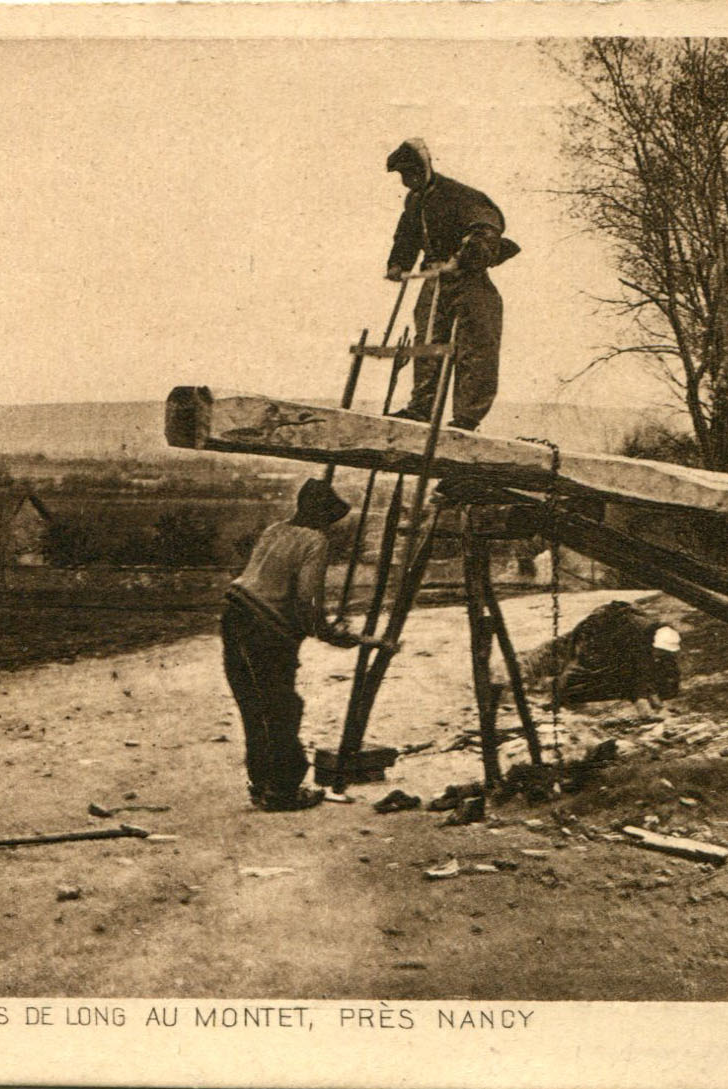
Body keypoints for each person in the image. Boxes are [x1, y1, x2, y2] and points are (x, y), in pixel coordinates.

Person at [221, 478, 387, 811]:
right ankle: (282, 792)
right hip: (264, 628)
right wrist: (334, 634)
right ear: (324, 517)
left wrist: (321, 628)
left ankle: (263, 784)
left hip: (234, 614)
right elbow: (306, 601)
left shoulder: (275, 530)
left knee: (254, 704)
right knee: (282, 708)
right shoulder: (314, 540)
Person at [384, 138, 520, 432]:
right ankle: (421, 409)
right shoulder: (415, 201)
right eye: (403, 177)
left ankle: (467, 417)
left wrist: (464, 257)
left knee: (476, 345)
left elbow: (487, 224)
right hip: (434, 281)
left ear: (425, 168)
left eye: (411, 174)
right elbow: (406, 235)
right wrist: (398, 264)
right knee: (427, 342)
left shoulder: (458, 195)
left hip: (468, 280)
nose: (408, 182)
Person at [522, 600, 682, 713]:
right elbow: (634, 667)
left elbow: (650, 668)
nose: (661, 655)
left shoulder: (662, 634)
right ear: (654, 644)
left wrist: (657, 700)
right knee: (582, 670)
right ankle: (552, 694)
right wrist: (641, 699)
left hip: (613, 639)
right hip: (596, 637)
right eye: (660, 652)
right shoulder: (635, 636)